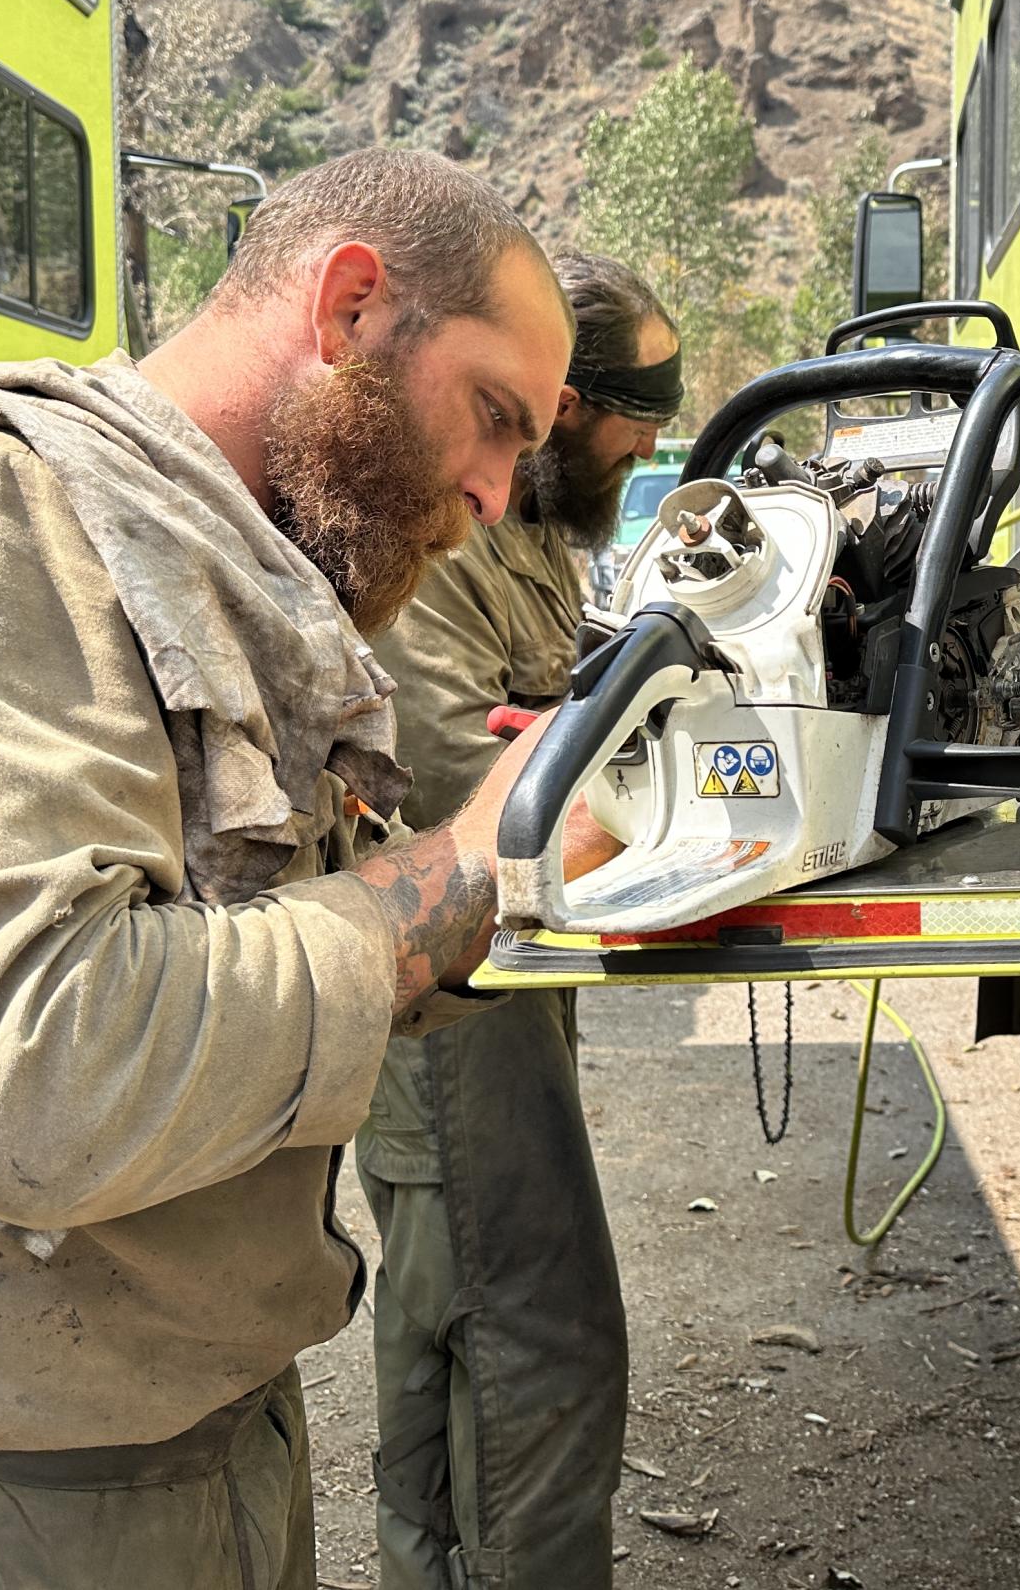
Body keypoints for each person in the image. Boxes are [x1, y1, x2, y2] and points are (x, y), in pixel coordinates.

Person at [0, 149, 613, 1590]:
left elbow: (253, 937)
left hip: (202, 1460)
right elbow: (31, 1070)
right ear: (353, 310)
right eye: (496, 417)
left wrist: (581, 871)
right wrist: (462, 872)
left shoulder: (224, 564)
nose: (502, 493)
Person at [356, 255, 682, 1590]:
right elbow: (450, 780)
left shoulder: (540, 528)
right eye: (633, 410)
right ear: (559, 407)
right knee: (533, 1350)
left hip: (483, 989)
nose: (654, 439)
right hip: (442, 1008)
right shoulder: (454, 533)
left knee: (451, 1344)